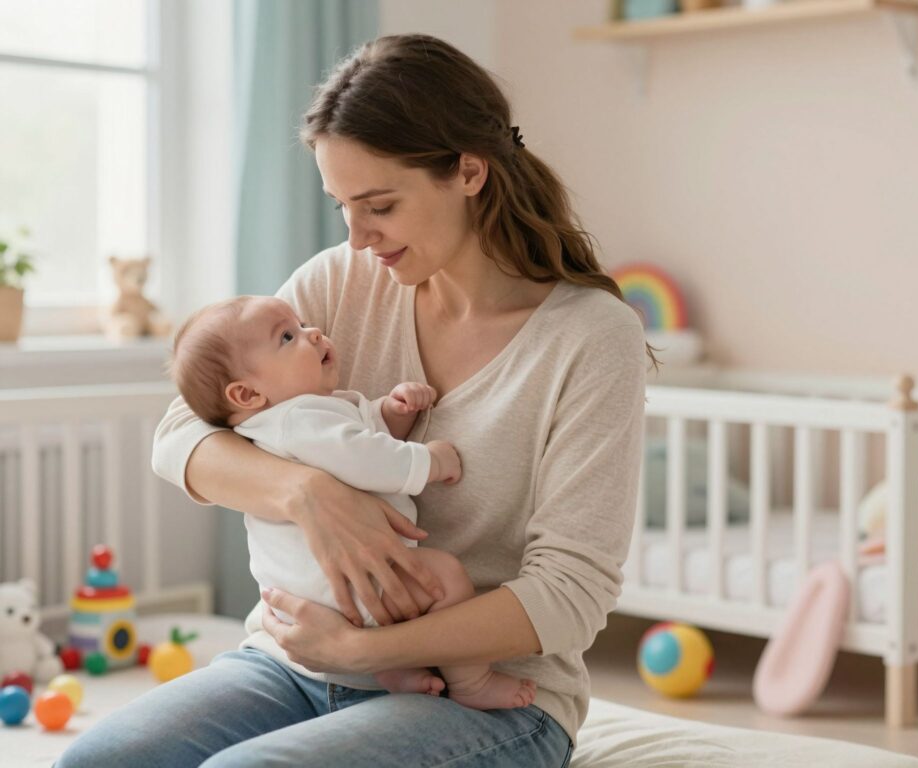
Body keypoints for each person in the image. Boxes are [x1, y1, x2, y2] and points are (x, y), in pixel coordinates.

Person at [58, 33, 651, 768]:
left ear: (470, 171)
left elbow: (572, 595)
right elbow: (180, 435)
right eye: (341, 205)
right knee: (97, 762)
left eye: (379, 205)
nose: (357, 236)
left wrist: (367, 647)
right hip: (295, 666)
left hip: (483, 700)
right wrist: (307, 492)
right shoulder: (340, 281)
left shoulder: (591, 338)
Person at [168, 293, 536, 709]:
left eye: (302, 323)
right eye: (288, 337)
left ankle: (388, 667)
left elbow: (356, 434)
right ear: (247, 395)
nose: (313, 332)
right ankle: (472, 681)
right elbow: (367, 459)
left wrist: (391, 413)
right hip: (341, 587)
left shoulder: (292, 419)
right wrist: (429, 461)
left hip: (308, 594)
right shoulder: (298, 421)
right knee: (445, 577)